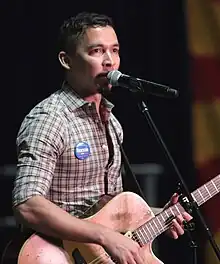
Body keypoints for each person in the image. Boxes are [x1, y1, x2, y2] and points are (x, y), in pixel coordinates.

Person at [12, 11, 192, 264]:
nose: (110, 61)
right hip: (57, 253)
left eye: (115, 50)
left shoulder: (112, 122)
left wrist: (160, 215)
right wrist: (105, 237)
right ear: (67, 60)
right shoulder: (49, 118)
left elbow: (108, 212)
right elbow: (28, 204)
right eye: (97, 51)